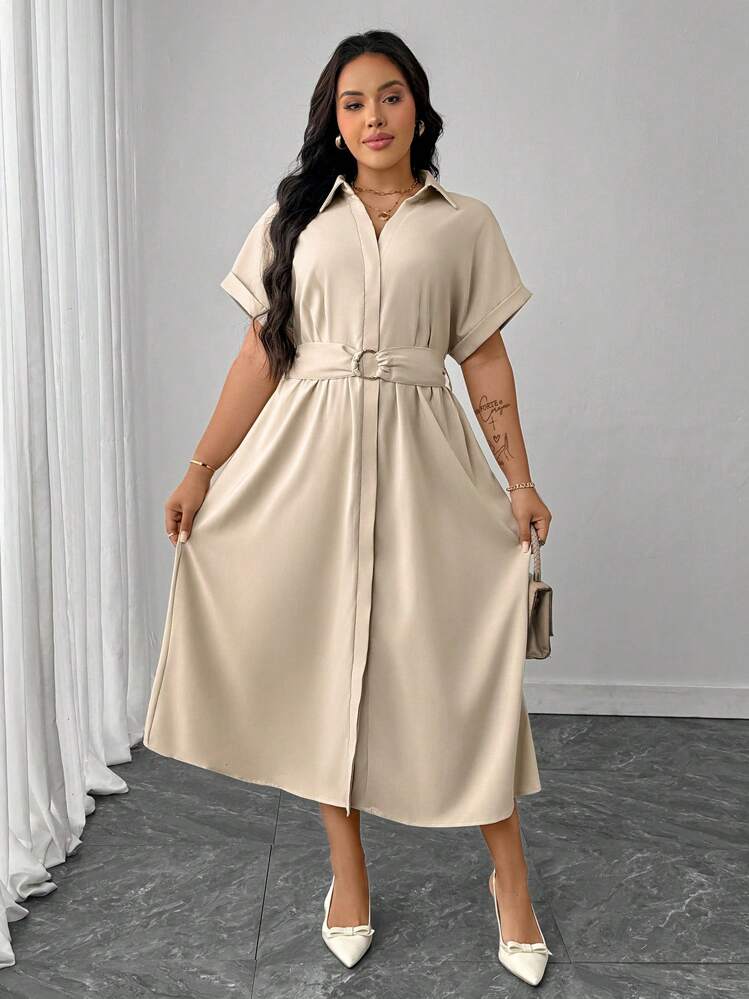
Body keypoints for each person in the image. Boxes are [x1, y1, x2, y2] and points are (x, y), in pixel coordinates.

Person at [143, 29, 553, 987]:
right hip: (307, 463)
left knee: (459, 668)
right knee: (321, 667)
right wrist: (201, 468)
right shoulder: (297, 218)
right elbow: (261, 353)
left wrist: (519, 480)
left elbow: (483, 358)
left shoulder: (464, 223)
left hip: (423, 462)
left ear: (418, 108)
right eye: (353, 102)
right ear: (334, 119)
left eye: (390, 96)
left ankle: (511, 882)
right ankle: (348, 873)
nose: (373, 117)